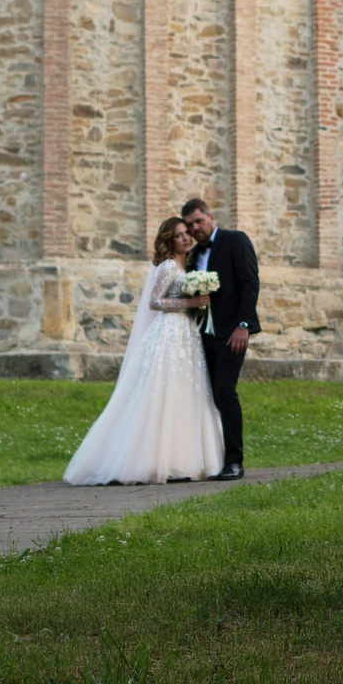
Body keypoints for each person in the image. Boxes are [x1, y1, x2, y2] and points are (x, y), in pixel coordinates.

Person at [62, 215, 226, 485]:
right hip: (169, 335)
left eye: (186, 233)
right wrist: (190, 302)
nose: (185, 238)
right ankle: (151, 460)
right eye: (178, 235)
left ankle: (183, 459)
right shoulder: (167, 268)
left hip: (187, 335)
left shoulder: (187, 267)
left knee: (186, 392)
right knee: (163, 391)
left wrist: (198, 302)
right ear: (168, 240)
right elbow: (154, 302)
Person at [180, 197, 259, 479]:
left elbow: (250, 282)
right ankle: (210, 458)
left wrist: (243, 325)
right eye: (189, 225)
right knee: (209, 395)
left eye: (199, 221)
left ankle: (235, 462)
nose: (195, 228)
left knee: (225, 390)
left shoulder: (235, 240)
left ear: (211, 217)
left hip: (231, 333)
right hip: (201, 334)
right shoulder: (192, 255)